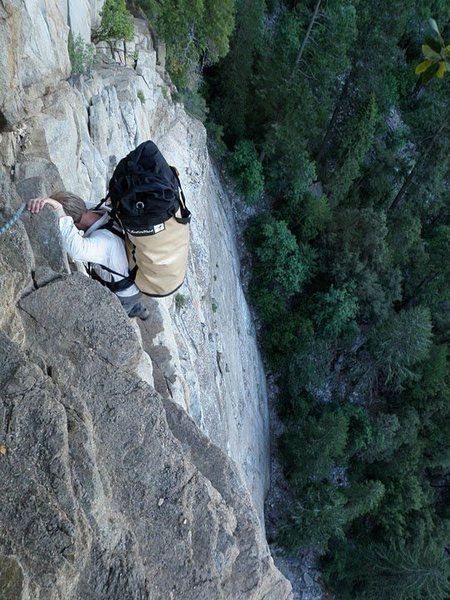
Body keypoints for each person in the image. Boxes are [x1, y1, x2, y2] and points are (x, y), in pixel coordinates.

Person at [27, 191, 149, 320]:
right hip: (131, 277)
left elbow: (77, 250)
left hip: (124, 295)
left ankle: (134, 309)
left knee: (111, 318)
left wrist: (59, 211)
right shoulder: (96, 210)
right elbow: (73, 207)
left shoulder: (105, 241)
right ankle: (139, 309)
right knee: (130, 297)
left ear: (73, 223)